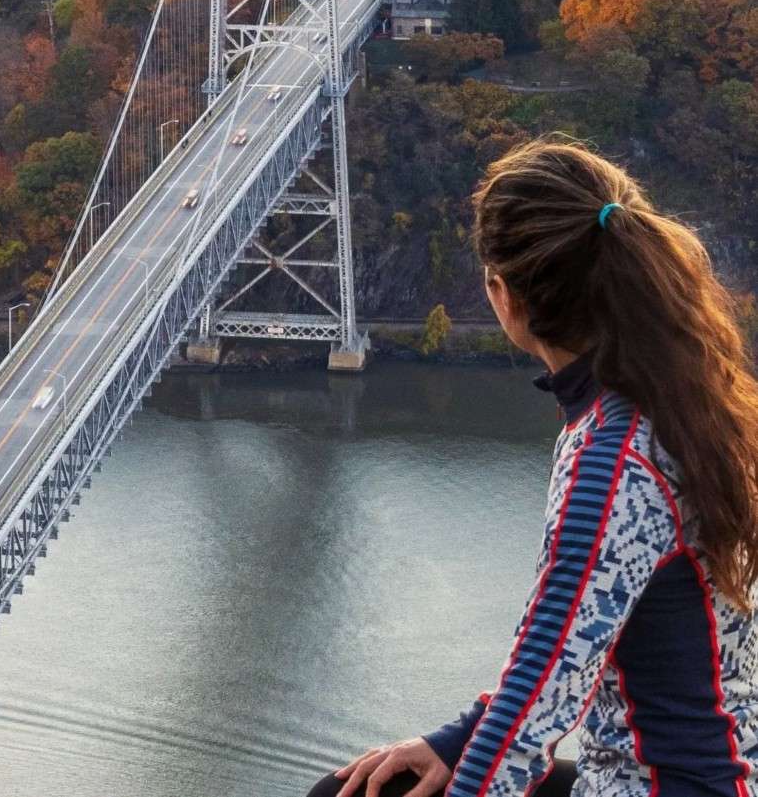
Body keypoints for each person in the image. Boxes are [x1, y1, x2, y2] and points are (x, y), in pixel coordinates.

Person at [307, 139, 758, 797]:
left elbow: (536, 700)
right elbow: (558, 663)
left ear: (501, 294)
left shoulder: (612, 462)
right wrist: (452, 743)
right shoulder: (683, 404)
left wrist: (467, 766)